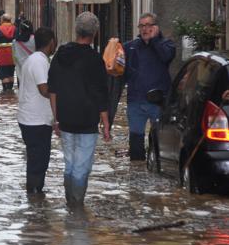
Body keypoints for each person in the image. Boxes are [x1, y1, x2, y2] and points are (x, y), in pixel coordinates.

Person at [48, 12, 110, 206]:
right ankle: (76, 207)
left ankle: (70, 204)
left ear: (76, 31)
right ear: (95, 34)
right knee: (81, 166)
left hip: (65, 117)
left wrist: (55, 118)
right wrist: (106, 124)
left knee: (70, 163)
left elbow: (53, 89)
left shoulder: (60, 55)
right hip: (87, 119)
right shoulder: (95, 59)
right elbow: (101, 93)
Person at [123, 12, 176, 161]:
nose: (145, 29)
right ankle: (136, 173)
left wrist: (154, 41)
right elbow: (118, 68)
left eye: (148, 25)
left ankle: (157, 168)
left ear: (156, 27)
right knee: (135, 140)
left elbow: (166, 56)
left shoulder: (167, 45)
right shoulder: (131, 47)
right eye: (141, 25)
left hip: (158, 102)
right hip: (136, 101)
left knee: (159, 140)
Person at [18, 27, 57, 195]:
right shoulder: (39, 61)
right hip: (36, 121)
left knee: (36, 160)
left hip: (31, 119)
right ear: (51, 43)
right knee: (39, 161)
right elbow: (44, 89)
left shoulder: (32, 59)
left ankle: (34, 200)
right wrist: (62, 96)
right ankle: (34, 195)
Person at [0, 13, 17, 91]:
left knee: (4, 75)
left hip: (1, 56)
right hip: (12, 55)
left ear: (2, 20)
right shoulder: (15, 29)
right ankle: (11, 92)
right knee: (11, 74)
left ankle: (6, 93)